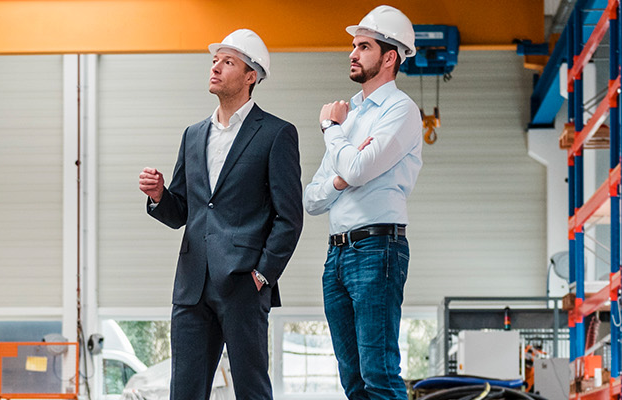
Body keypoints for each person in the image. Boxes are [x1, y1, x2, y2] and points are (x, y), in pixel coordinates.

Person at [138, 28, 303, 400]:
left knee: (251, 390)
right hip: (192, 285)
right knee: (184, 392)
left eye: (228, 62)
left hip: (244, 283)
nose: (215, 67)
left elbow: (289, 217)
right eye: (215, 60)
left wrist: (262, 275)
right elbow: (181, 211)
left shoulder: (276, 134)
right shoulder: (193, 135)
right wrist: (159, 195)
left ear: (250, 77)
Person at [303, 5, 425, 400]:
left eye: (364, 46)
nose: (352, 53)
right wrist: (344, 170)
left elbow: (357, 170)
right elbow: (312, 198)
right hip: (336, 255)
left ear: (390, 57)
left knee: (380, 374)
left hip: (377, 250)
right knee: (353, 381)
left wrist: (330, 132)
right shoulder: (350, 116)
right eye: (353, 46)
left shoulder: (400, 111)